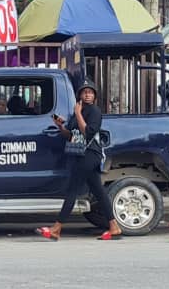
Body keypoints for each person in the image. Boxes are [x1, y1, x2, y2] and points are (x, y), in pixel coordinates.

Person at [36, 80, 123, 241]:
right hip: (80, 154)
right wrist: (61, 127)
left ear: (94, 96)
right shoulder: (78, 111)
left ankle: (56, 228)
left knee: (72, 190)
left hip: (90, 155)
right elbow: (71, 136)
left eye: (90, 92)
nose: (88, 94)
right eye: (85, 92)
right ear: (80, 95)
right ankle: (114, 226)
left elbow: (88, 133)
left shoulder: (94, 111)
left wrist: (78, 113)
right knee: (99, 191)